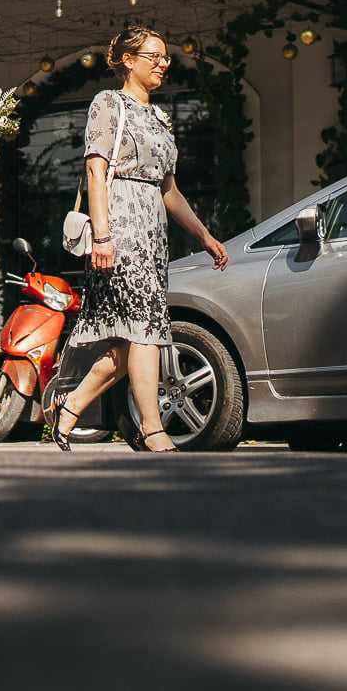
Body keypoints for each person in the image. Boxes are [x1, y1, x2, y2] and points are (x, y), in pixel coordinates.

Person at [50, 27, 229, 453]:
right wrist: (103, 237)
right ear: (128, 60)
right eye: (154, 56)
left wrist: (203, 235)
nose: (163, 63)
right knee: (146, 331)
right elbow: (96, 171)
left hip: (153, 236)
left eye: (166, 57)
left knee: (129, 339)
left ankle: (70, 405)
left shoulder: (158, 117)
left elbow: (169, 189)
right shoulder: (109, 104)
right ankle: (153, 428)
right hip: (120, 230)